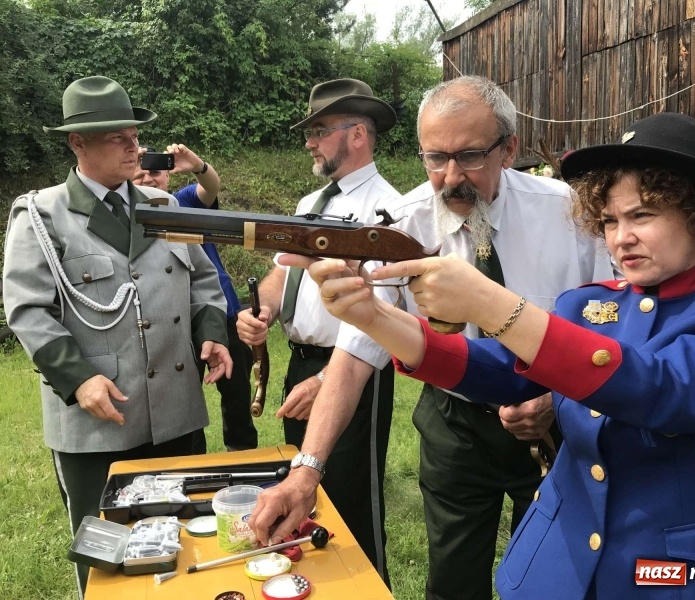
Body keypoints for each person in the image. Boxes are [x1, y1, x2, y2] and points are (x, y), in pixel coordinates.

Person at [287, 112, 695, 599]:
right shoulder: (592, 303)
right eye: (609, 220)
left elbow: (663, 389)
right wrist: (375, 317)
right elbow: (505, 371)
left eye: (642, 215)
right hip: (564, 564)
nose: (621, 237)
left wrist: (491, 304)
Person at [248, 75, 613, 600]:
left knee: (558, 577)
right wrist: (305, 472)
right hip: (456, 426)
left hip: (561, 421)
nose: (449, 178)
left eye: (468, 156)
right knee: (452, 582)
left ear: (508, 148)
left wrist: (556, 396)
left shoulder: (565, 211)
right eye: (433, 158)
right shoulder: (402, 224)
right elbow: (355, 352)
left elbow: (607, 322)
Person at [2, 76, 232, 594]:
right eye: (116, 137)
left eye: (134, 134)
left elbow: (202, 280)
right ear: (77, 143)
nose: (134, 146)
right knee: (110, 564)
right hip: (99, 419)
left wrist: (210, 331)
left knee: (185, 544)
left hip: (176, 410)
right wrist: (78, 379)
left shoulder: (163, 207)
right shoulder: (42, 215)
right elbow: (28, 308)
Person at [235, 78, 400, 581]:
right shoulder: (311, 201)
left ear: (357, 134)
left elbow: (384, 313)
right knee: (301, 498)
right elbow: (282, 274)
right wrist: (260, 313)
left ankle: (365, 588)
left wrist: (328, 378)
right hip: (300, 365)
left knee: (351, 506)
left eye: (320, 131)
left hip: (351, 373)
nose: (308, 142)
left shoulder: (388, 209)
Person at [132, 143, 258, 451]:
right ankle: (192, 460)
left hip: (222, 310)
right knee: (184, 401)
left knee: (237, 394)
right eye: (140, 176)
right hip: (173, 321)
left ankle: (241, 458)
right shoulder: (129, 214)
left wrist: (197, 165)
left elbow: (211, 186)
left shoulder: (183, 201)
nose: (150, 180)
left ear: (168, 176)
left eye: (156, 173)